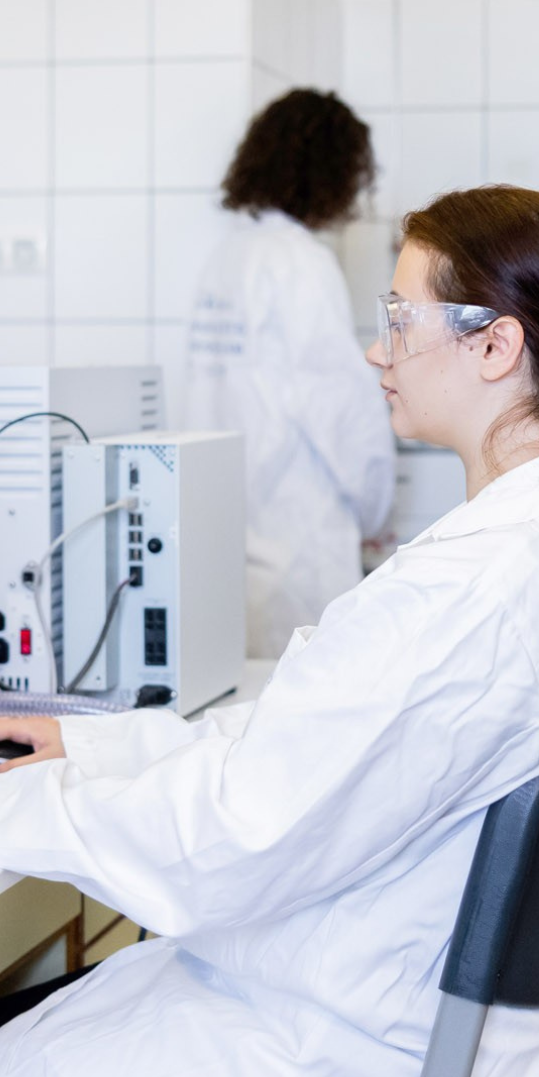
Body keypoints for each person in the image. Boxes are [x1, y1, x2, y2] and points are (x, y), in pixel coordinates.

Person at [0, 174, 539, 1077]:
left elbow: (223, 840)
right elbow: (306, 744)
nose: (378, 351)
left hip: (324, 1063)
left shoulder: (470, 594)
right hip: (380, 1017)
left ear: (493, 345)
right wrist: (105, 747)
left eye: (399, 319)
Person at [184, 88, 395, 658]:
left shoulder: (228, 257)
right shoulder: (300, 261)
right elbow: (342, 405)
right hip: (298, 539)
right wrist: (376, 507)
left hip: (230, 533)